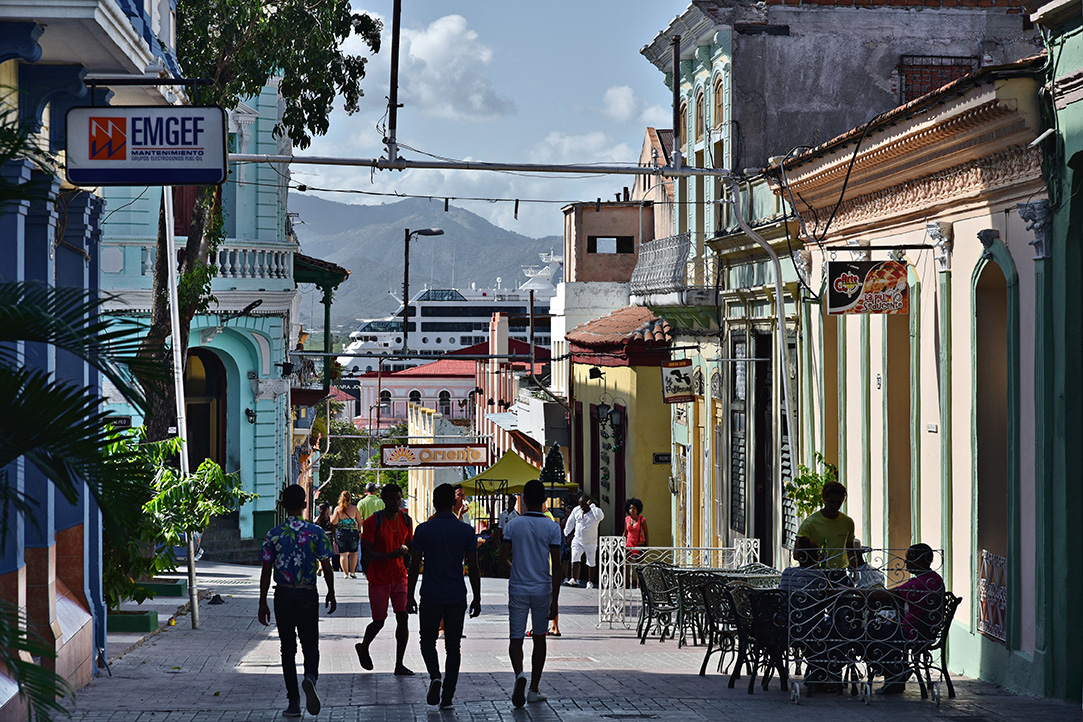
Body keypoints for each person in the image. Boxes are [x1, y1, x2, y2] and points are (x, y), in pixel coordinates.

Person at [258, 484, 336, 718]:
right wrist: (331, 591)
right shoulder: (316, 532)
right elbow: (327, 564)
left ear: (282, 506)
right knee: (310, 644)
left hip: (282, 594)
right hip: (307, 593)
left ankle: (293, 702)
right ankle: (310, 677)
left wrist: (262, 601)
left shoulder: (274, 534)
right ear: (305, 505)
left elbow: (265, 569)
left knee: (287, 649)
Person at [407, 483, 482, 710]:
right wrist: (477, 597)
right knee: (453, 647)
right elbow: (475, 567)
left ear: (433, 503)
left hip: (430, 593)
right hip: (456, 595)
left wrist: (409, 595)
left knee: (426, 641)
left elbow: (414, 565)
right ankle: (448, 696)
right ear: (453, 503)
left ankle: (435, 676)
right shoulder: (466, 532)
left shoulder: (423, 530)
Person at [498, 479, 562, 707]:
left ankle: (519, 675)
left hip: (518, 588)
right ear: (544, 500)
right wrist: (555, 600)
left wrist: (516, 568)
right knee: (539, 639)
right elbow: (558, 567)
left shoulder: (513, 526)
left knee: (516, 638)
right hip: (543, 589)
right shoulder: (552, 527)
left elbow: (501, 558)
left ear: (523, 499)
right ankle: (534, 688)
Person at [868, 543, 946, 693]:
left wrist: (856, 591)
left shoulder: (918, 584)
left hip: (912, 633)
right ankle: (896, 675)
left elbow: (885, 595)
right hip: (926, 631)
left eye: (909, 558)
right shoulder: (935, 579)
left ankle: (896, 672)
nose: (905, 562)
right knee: (884, 629)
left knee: (870, 632)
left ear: (920, 560)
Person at [356, 483, 414, 676]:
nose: (395, 502)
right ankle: (363, 646)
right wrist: (390, 555)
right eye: (391, 498)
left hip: (399, 576)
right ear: (383, 500)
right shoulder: (373, 522)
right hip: (379, 578)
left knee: (403, 617)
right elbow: (367, 552)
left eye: (398, 498)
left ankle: (399, 664)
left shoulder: (406, 520)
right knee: (379, 621)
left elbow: (411, 545)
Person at [795, 481, 855, 571]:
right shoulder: (809, 524)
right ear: (824, 498)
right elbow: (797, 554)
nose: (835, 506)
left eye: (839, 502)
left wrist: (856, 573)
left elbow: (851, 551)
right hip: (816, 573)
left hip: (840, 574)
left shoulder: (847, 522)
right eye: (831, 502)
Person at [563, 493, 604, 588]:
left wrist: (592, 506)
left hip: (591, 541)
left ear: (588, 503)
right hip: (578, 539)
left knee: (591, 562)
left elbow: (600, 517)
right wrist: (566, 533)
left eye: (583, 504)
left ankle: (590, 582)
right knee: (575, 557)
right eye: (580, 504)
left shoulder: (595, 512)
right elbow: (571, 521)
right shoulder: (576, 510)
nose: (581, 506)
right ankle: (573, 579)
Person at [331, 490, 362, 578]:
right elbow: (359, 521)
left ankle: (345, 573)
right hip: (353, 533)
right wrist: (358, 529)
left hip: (341, 533)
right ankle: (352, 572)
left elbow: (334, 522)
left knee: (343, 554)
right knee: (354, 553)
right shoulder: (354, 508)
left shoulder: (337, 509)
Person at [314, 503, 335, 576]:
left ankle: (320, 567)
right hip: (328, 536)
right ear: (327, 509)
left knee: (320, 553)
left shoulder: (317, 519)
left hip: (320, 537)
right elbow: (333, 528)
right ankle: (323, 569)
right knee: (327, 555)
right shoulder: (330, 518)